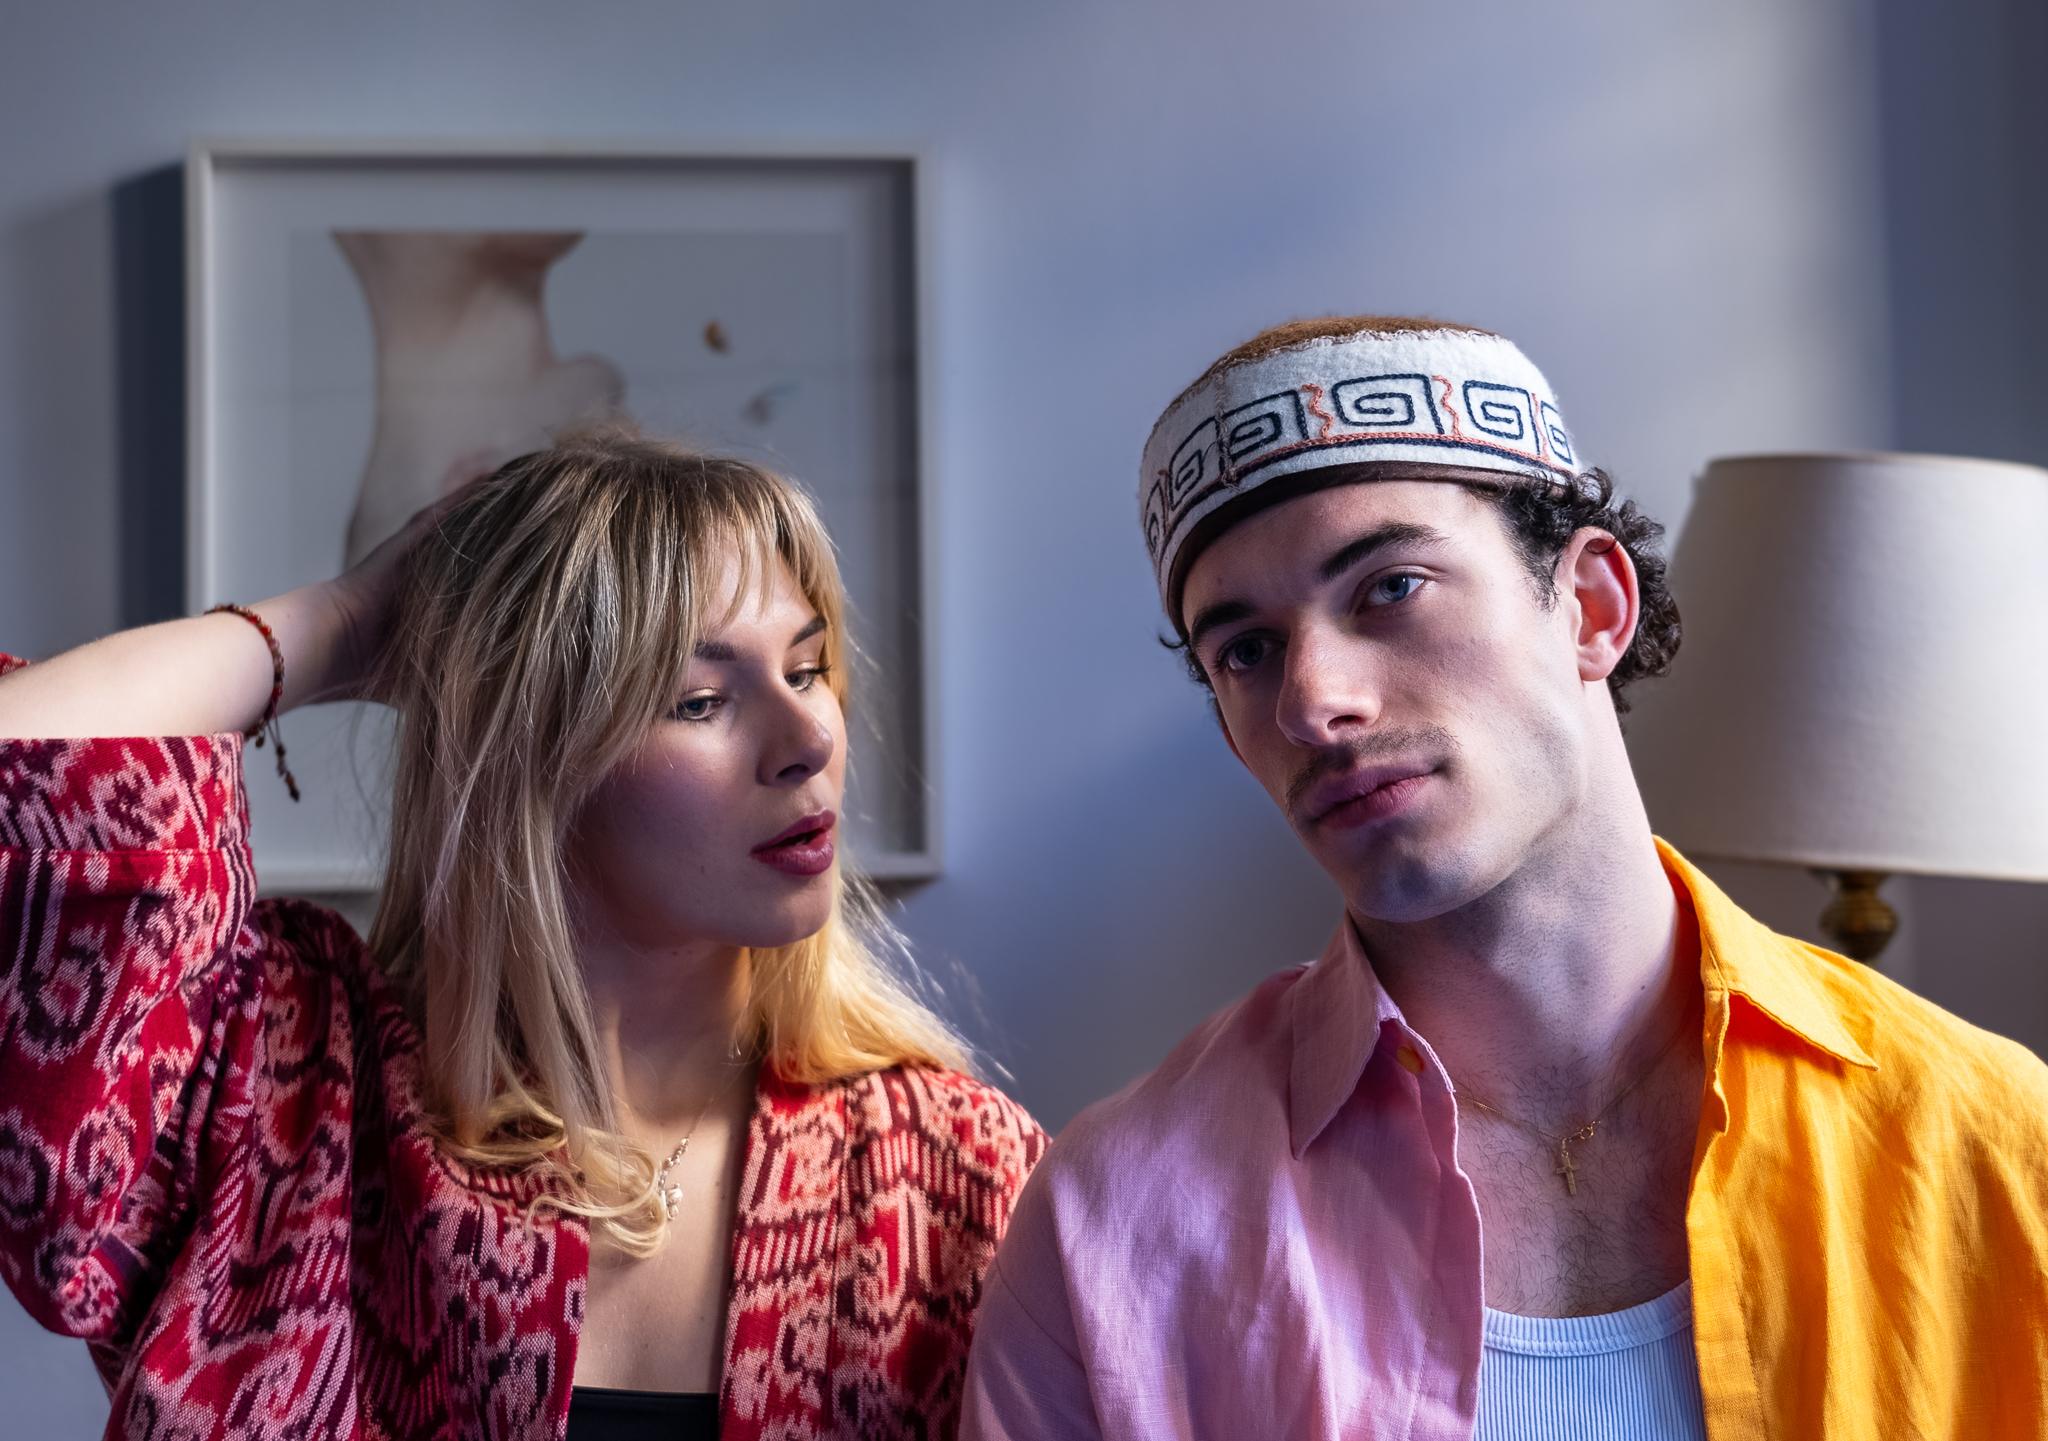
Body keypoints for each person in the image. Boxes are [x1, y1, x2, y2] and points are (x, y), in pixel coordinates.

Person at [960, 316, 2048, 1439]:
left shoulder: (1998, 1149)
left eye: (1389, 587)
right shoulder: (1108, 1230)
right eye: (1244, 651)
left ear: (1591, 607)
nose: (1312, 701)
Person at [0, 429, 1045, 1441]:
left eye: (807, 669)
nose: (809, 735)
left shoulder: (955, 1179)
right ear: (531, 765)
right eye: (699, 700)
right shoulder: (287, 1103)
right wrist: (344, 621)